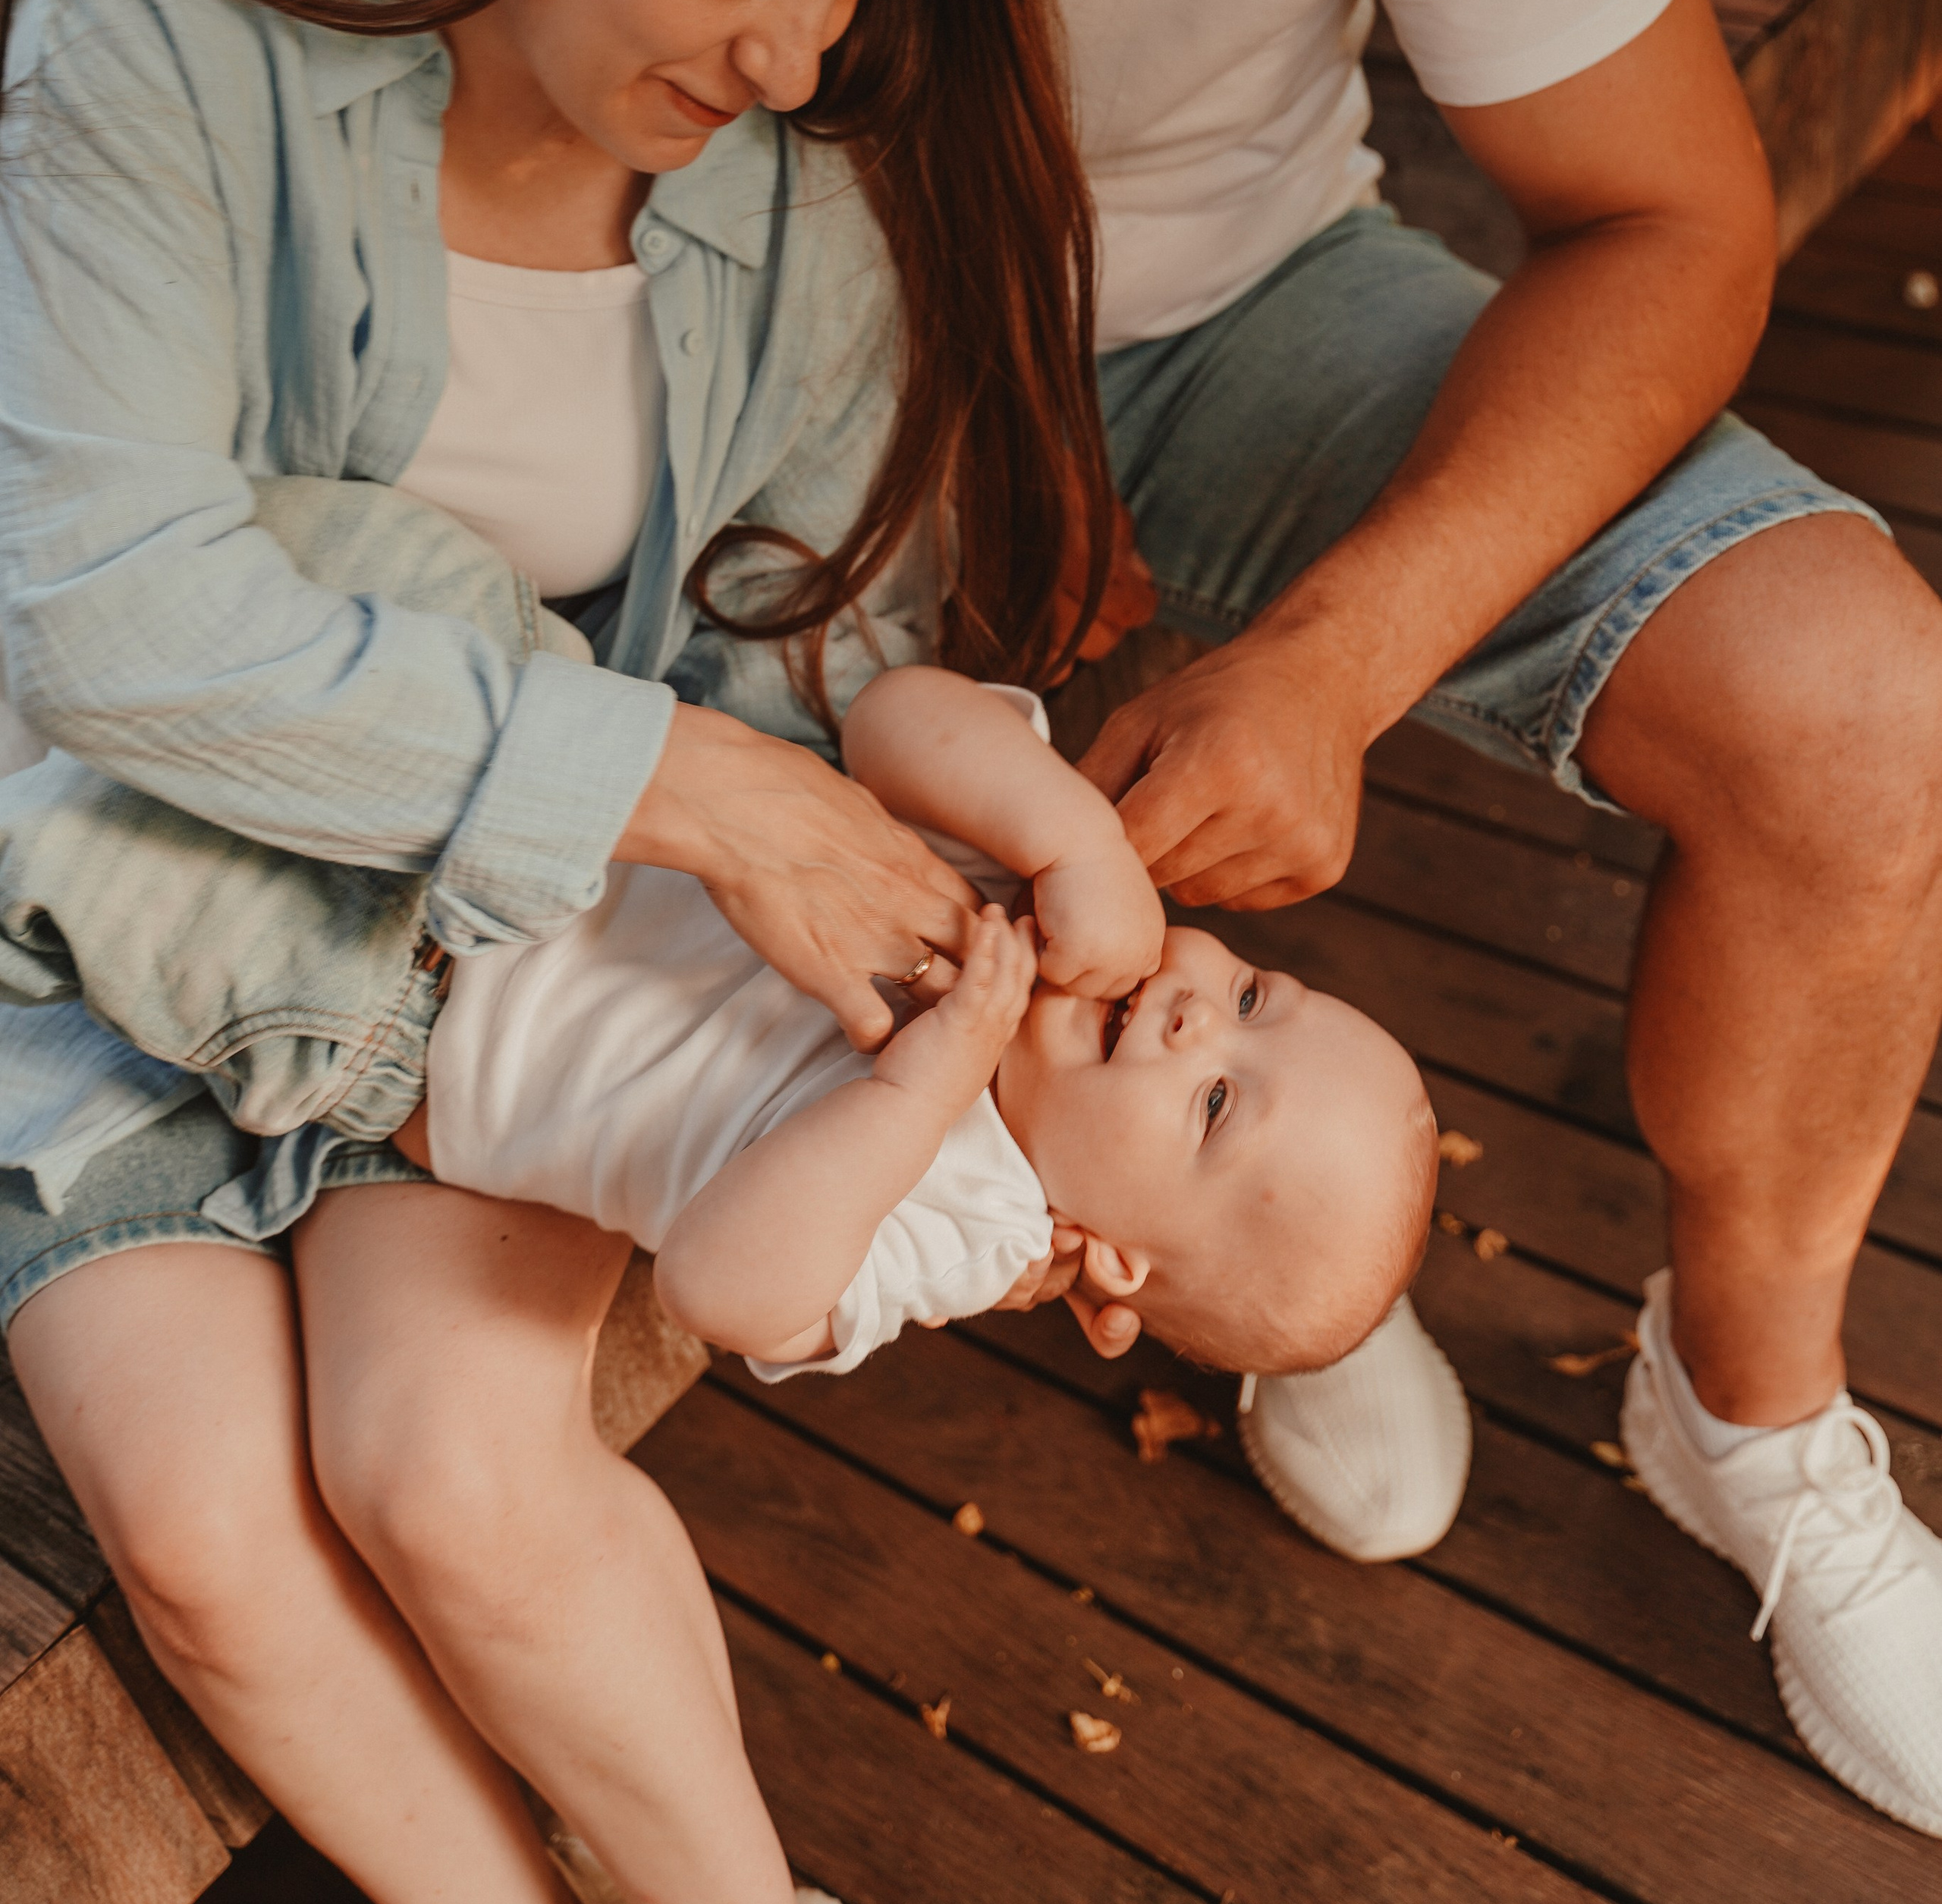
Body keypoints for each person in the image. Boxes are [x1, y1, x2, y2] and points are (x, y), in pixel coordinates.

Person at [333, 0, 1942, 1840]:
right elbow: (459, 243)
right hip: (738, 394)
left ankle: (1747, 1422)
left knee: (1870, 713)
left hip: (1228, 313)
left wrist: (1344, 647)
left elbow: (1677, 224)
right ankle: (1236, 1253)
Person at [0, 0, 1125, 1904]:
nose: (797, 51)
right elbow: (99, 604)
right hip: (77, 927)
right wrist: (704, 806)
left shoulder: (798, 206)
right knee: (200, 1530)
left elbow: (808, 648)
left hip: (456, 974)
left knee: (443, 1461)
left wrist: (1001, 838)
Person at [0, 538, 1438, 1381]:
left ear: (1112, 1255)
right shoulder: (1043, 894)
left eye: (1216, 1104)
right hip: (543, 748)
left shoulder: (975, 1220)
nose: (1200, 1018)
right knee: (341, 567)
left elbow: (722, 1290)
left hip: (391, 1002)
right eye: (1255, 993)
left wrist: (911, 1093)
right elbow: (897, 720)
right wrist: (1073, 839)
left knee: (88, 852)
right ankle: (87, 551)